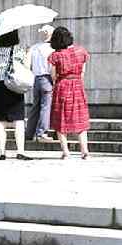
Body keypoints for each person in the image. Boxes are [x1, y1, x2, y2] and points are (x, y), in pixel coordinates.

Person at [47, 26, 91, 159]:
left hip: (62, 87)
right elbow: (83, 72)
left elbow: (53, 76)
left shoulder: (56, 56)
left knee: (60, 119)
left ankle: (66, 152)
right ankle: (85, 151)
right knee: (80, 119)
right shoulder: (81, 52)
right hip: (77, 86)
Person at [0, 30, 33, 160]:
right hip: (14, 85)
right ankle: (20, 151)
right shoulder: (18, 50)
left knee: (0, 121)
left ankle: (2, 153)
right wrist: (28, 53)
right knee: (18, 120)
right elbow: (26, 67)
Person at [26, 25, 56, 144]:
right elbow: (52, 69)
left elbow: (27, 65)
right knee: (45, 106)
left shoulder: (34, 47)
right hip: (47, 78)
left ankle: (29, 132)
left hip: (36, 78)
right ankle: (42, 133)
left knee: (35, 106)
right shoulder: (52, 49)